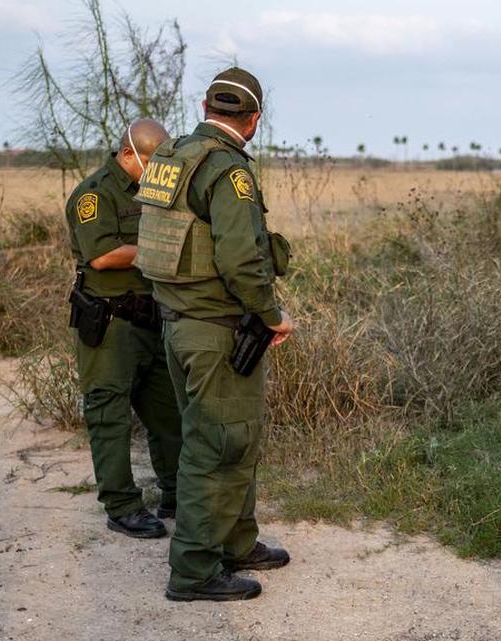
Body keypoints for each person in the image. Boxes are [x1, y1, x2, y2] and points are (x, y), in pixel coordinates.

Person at [134, 67, 295, 602]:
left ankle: (237, 543)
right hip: (216, 330)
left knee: (227, 437)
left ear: (205, 105)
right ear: (253, 119)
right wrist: (273, 315)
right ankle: (196, 570)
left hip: (176, 323)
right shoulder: (228, 170)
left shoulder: (171, 156)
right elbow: (241, 259)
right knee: (218, 445)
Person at [64, 118, 183, 539]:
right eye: (151, 163)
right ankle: (121, 505)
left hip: (151, 320)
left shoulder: (154, 191)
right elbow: (102, 255)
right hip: (110, 325)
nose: (156, 172)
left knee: (169, 414)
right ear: (129, 154)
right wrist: (159, 249)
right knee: (109, 415)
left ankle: (176, 494)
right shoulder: (94, 195)